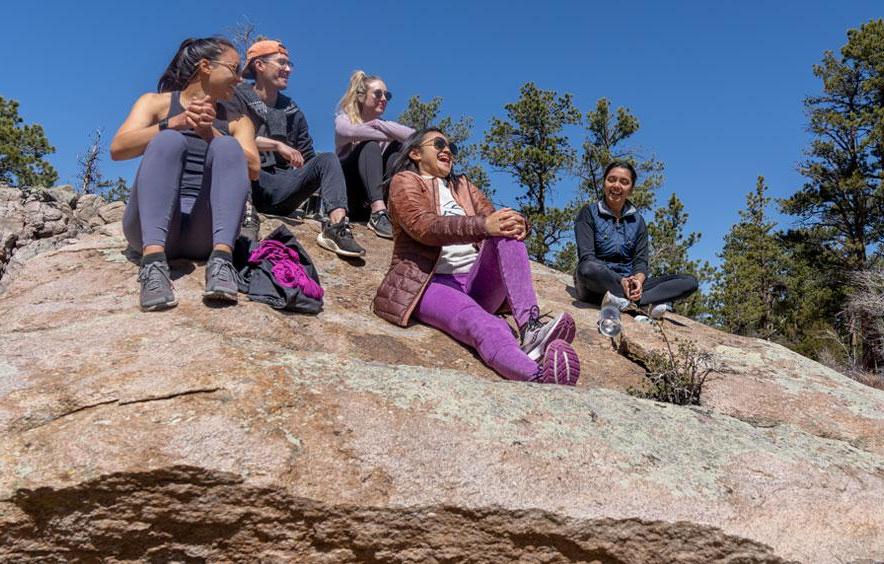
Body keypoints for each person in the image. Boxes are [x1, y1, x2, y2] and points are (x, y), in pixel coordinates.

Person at [373, 128, 580, 385]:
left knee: (506, 235)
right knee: (486, 325)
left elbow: (492, 218)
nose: (447, 150)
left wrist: (518, 223)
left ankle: (530, 327)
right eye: (438, 144)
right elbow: (421, 225)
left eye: (452, 147)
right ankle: (539, 377)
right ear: (415, 153)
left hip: (474, 280)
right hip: (430, 282)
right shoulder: (405, 181)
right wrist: (484, 226)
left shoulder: (463, 186)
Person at [110, 37, 260, 311]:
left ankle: (221, 263)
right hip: (149, 228)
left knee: (228, 145)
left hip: (205, 232)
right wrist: (173, 124)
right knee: (169, 140)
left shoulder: (238, 121)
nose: (239, 79)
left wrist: (211, 133)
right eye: (234, 69)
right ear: (205, 66)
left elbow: (253, 169)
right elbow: (118, 148)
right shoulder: (156, 103)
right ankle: (153, 266)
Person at [227, 40, 366, 258]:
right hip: (247, 182)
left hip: (282, 187)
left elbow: (310, 157)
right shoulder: (236, 96)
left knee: (327, 159)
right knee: (231, 150)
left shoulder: (292, 110)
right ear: (259, 65)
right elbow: (226, 135)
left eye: (289, 64)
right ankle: (244, 217)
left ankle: (337, 227)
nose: (288, 69)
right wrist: (276, 144)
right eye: (281, 62)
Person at [573, 161, 698, 313]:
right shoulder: (588, 213)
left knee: (689, 282)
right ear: (604, 183)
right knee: (587, 268)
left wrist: (637, 281)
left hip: (630, 285)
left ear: (631, 189)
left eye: (624, 182)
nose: (617, 186)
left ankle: (633, 302)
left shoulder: (638, 221)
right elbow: (587, 257)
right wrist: (621, 281)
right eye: (611, 179)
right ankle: (643, 303)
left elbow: (640, 261)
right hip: (600, 283)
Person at [335, 70, 415, 238]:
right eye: (378, 94)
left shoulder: (384, 124)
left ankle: (397, 213)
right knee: (370, 146)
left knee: (397, 153)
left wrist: (379, 124)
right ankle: (378, 213)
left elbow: (414, 137)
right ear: (361, 96)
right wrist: (388, 131)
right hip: (350, 196)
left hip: (374, 194)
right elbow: (347, 131)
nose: (384, 99)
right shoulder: (345, 119)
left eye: (388, 95)